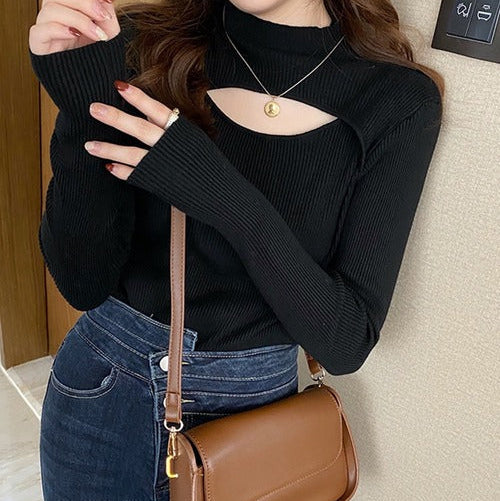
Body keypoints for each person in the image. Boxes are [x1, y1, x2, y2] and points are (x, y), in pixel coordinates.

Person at [28, 0, 444, 499]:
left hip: (253, 429)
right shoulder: (142, 43)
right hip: (104, 400)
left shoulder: (396, 99)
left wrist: (217, 192)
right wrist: (82, 105)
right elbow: (82, 282)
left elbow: (345, 343)